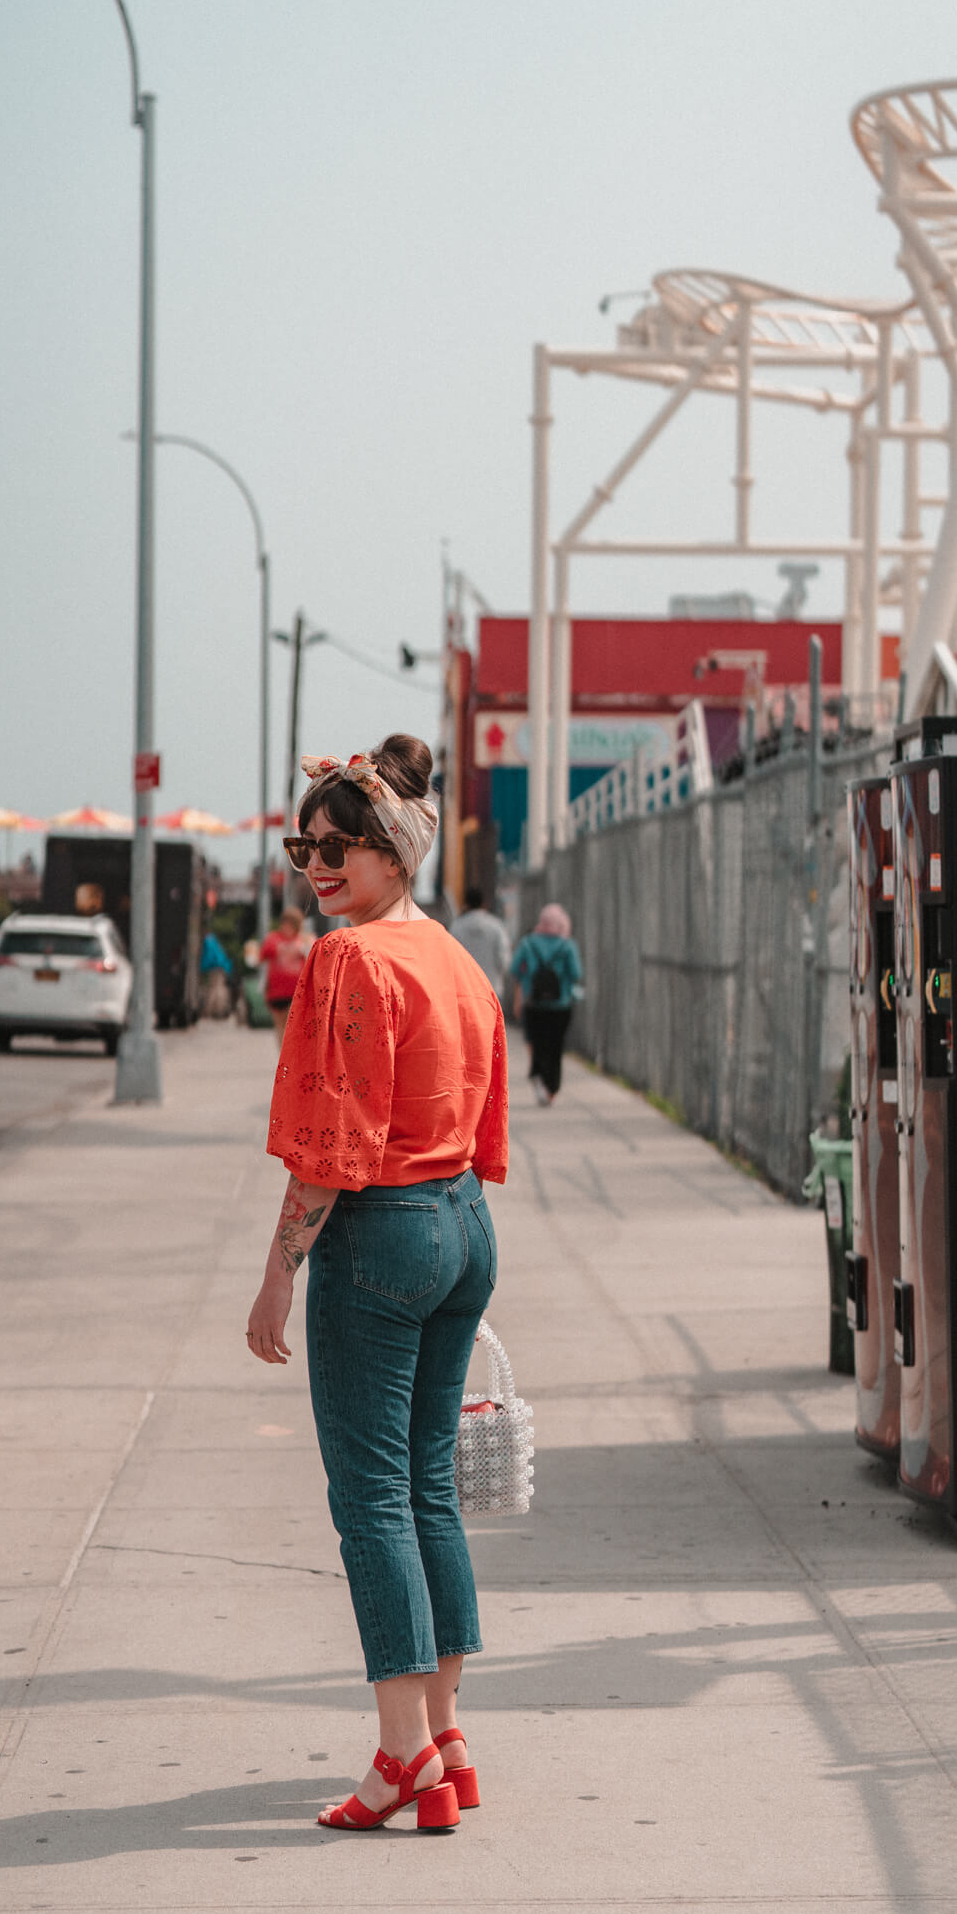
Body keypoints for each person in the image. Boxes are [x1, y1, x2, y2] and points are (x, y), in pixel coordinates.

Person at [246, 735, 508, 1834]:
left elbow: (329, 1144)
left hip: (382, 1231)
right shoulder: (451, 955)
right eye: (306, 844)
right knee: (427, 1486)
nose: (318, 864)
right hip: (462, 1225)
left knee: (371, 1501)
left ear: (392, 850)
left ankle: (401, 1755)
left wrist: (276, 1270)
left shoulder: (350, 962)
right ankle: (445, 1733)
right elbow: (487, 1110)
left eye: (340, 847)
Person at [511, 901, 583, 1106]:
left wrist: (520, 995)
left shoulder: (528, 943)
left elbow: (516, 969)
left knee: (536, 1042)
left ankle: (538, 1074)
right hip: (561, 1005)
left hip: (533, 1004)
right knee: (555, 1047)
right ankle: (552, 1086)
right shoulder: (568, 945)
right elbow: (576, 973)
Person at [258, 905, 313, 1041]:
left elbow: (312, 958)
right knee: (280, 1026)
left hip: (297, 991)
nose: (286, 928)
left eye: (290, 925)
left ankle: (291, 1057)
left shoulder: (304, 940)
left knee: (293, 1026)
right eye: (284, 924)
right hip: (276, 992)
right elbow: (262, 956)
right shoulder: (273, 938)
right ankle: (283, 1058)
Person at [449, 885, 511, 1001]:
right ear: (483, 903)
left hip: (465, 991)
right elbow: (504, 961)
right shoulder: (496, 926)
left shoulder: (456, 927)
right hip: (492, 989)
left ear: (465, 903)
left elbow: (450, 959)